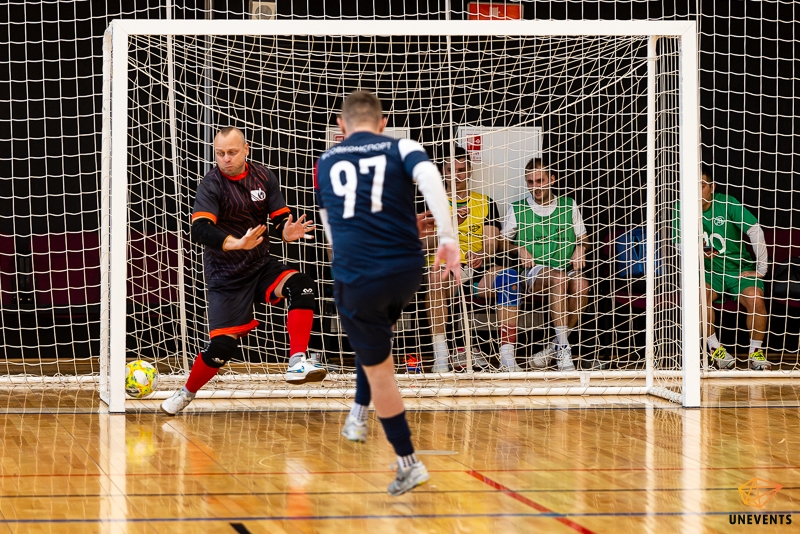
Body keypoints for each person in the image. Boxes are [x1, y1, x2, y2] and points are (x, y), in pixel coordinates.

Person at [314, 91, 460, 495]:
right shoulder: (403, 146)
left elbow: (332, 228)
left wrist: (349, 257)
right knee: (376, 340)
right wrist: (447, 237)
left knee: (381, 370)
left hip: (359, 275)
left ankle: (408, 462)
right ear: (382, 123)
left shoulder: (326, 161)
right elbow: (430, 178)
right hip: (406, 271)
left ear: (341, 126)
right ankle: (358, 413)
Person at [161, 127, 323, 416]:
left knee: (303, 285)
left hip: (259, 265)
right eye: (220, 153)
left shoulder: (263, 176)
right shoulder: (211, 184)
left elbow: (279, 218)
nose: (226, 159)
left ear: (246, 150)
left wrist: (286, 231)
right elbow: (200, 229)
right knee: (221, 349)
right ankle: (186, 393)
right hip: (226, 276)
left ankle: (297, 361)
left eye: (232, 152)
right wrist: (236, 243)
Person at [419, 145, 520, 372]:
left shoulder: (484, 201)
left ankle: (507, 357)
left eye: (462, 170)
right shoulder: (429, 201)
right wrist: (450, 225)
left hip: (477, 270)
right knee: (435, 278)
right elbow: (421, 245)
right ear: (443, 172)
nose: (456, 176)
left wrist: (483, 253)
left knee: (509, 278)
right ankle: (441, 357)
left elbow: (492, 242)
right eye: (451, 170)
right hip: (444, 271)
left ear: (470, 170)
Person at [501, 156, 590, 371]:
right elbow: (501, 242)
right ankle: (564, 352)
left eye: (540, 181)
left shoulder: (568, 205)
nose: (536, 187)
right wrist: (518, 249)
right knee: (558, 278)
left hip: (565, 269)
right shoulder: (518, 208)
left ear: (552, 179)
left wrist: (581, 248)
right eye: (531, 182)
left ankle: (555, 347)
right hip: (534, 273)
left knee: (582, 285)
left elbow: (584, 239)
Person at [680, 166, 770, 370]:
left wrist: (762, 269)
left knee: (756, 299)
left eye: (702, 186)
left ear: (712, 187)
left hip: (738, 270)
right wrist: (697, 251)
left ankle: (756, 354)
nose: (697, 191)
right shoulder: (682, 207)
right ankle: (716, 351)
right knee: (699, 298)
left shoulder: (727, 203)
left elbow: (755, 230)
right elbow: (678, 245)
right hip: (708, 273)